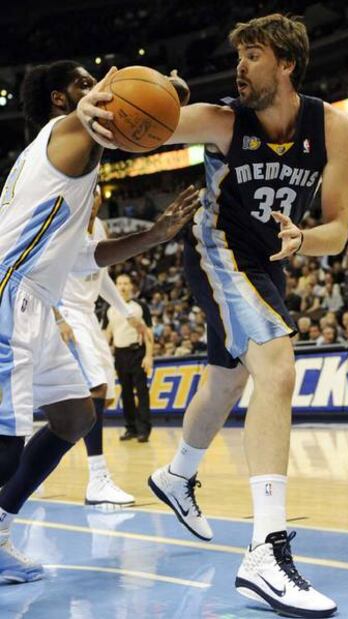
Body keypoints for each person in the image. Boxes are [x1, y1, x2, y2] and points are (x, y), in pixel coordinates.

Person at [148, 13, 348, 618]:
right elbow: (142, 130)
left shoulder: (333, 127)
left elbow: (338, 232)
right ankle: (265, 550)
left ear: (286, 64)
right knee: (278, 369)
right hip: (215, 253)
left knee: (230, 378)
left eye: (254, 55)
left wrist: (303, 241)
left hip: (269, 262)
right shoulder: (220, 120)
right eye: (238, 54)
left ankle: (177, 474)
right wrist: (125, 101)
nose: (240, 66)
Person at [0, 59, 199, 583]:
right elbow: (98, 111)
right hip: (8, 293)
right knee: (5, 448)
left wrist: (153, 236)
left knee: (74, 417)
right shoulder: (64, 132)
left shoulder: (74, 164)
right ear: (61, 101)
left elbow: (86, 257)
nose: (98, 93)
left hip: (38, 301)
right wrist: (148, 91)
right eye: (84, 86)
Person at [55, 186, 137, 506]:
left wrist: (127, 312)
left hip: (87, 315)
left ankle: (23, 469)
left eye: (96, 193)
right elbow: (41, 272)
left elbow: (101, 277)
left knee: (85, 400)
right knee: (95, 388)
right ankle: (98, 477)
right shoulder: (63, 226)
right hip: (65, 312)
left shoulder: (100, 227)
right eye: (87, 193)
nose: (93, 199)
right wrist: (58, 317)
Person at [107, 273, 153, 442]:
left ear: (132, 286)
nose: (123, 287)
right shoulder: (110, 308)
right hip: (120, 354)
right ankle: (130, 428)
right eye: (119, 284)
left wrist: (149, 355)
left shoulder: (140, 306)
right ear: (115, 287)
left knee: (142, 392)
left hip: (137, 352)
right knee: (125, 393)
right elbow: (107, 334)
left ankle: (144, 429)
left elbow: (148, 332)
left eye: (126, 283)